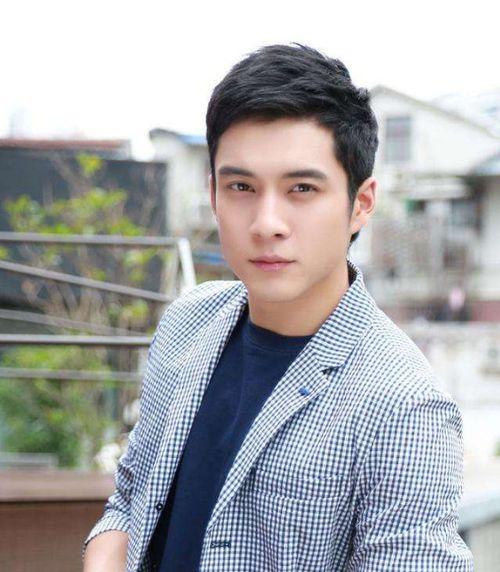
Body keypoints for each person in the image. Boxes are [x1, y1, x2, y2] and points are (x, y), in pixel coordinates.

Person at [82, 43, 473, 571]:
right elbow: (131, 500)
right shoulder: (187, 320)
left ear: (361, 203)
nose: (267, 222)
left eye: (302, 188)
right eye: (241, 186)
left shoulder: (404, 408)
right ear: (213, 194)